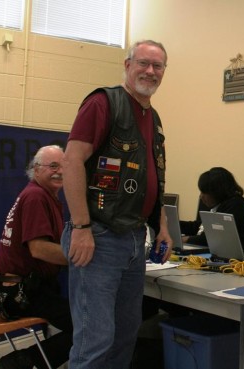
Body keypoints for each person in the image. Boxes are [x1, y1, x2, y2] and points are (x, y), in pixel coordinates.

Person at [60, 39, 172, 369]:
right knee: (95, 342)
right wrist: (81, 227)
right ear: (127, 65)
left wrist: (162, 226)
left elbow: (155, 178)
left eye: (158, 66)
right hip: (99, 237)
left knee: (125, 338)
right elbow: (71, 162)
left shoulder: (153, 119)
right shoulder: (103, 103)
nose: (150, 71)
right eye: (143, 63)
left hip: (135, 240)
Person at [0, 145, 73, 369]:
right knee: (89, 326)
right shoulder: (36, 197)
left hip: (19, 288)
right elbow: (39, 249)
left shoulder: (41, 195)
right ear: (36, 169)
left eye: (63, 165)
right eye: (53, 166)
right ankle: (21, 362)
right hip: (22, 293)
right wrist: (81, 258)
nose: (59, 171)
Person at [180, 167, 244, 254]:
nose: (201, 196)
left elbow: (216, 237)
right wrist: (174, 224)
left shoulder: (236, 205)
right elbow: (200, 227)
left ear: (216, 192)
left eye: (204, 192)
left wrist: (187, 239)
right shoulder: (213, 203)